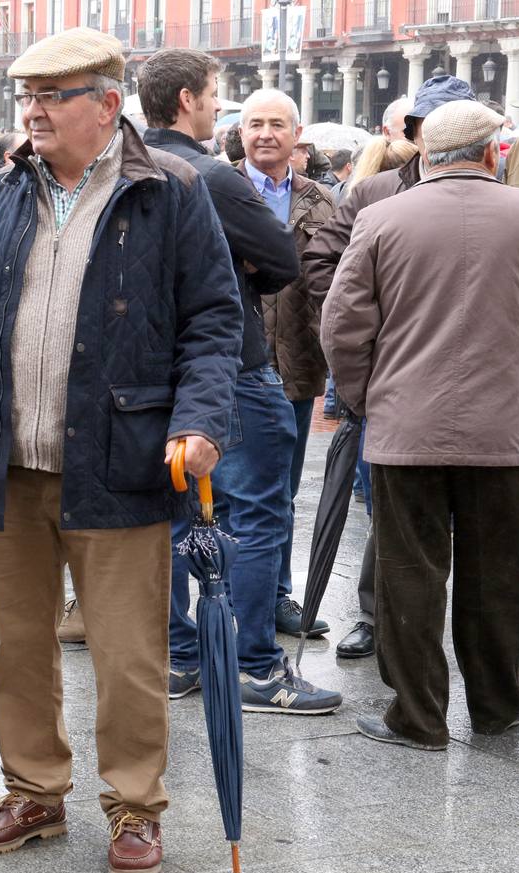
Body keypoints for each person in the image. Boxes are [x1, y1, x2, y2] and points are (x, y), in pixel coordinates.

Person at [0, 31, 243, 873]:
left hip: (124, 456)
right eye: (26, 96)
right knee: (20, 644)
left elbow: (215, 322)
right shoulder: (0, 192)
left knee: (129, 652)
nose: (33, 110)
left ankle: (136, 809)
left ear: (107, 104)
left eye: (54, 95)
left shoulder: (170, 192)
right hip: (11, 460)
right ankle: (33, 791)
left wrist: (201, 420)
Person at [322, 99, 519, 751]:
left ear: (424, 153)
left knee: (409, 568)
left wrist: (362, 399)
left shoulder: (381, 218)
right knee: (497, 572)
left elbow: (343, 327)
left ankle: (419, 716)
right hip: (506, 432)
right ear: (491, 153)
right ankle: (496, 705)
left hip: (405, 426)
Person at [139, 59, 337, 713]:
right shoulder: (210, 175)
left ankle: (181, 656)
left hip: (152, 366)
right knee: (257, 511)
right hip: (231, 361)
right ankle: (256, 665)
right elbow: (283, 260)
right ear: (187, 99)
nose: (218, 111)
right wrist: (239, 269)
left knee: (171, 514)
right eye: (219, 99)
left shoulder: (124, 166)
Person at [303, 74, 477, 659]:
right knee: (391, 514)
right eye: (434, 123)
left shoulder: (499, 193)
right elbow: (323, 267)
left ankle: (484, 646)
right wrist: (372, 351)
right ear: (415, 131)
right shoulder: (375, 193)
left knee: (488, 524)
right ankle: (378, 617)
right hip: (398, 380)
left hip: (488, 384)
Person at [237, 89, 337, 643]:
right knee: (230, 487)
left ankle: (276, 594)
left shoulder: (322, 200)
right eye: (255, 124)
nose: (266, 134)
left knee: (282, 487)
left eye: (277, 124)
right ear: (241, 133)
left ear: (296, 135)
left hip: (296, 364)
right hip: (233, 363)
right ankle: (229, 590)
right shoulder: (219, 187)